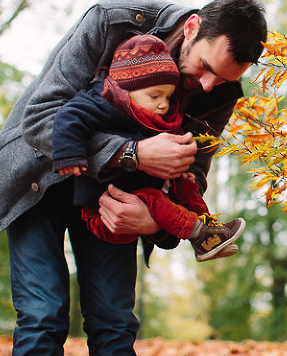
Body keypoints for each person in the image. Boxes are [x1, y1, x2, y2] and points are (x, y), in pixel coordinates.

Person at [0, 0, 267, 356]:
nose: (208, 85)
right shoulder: (112, 22)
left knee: (114, 322)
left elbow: (192, 175)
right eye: (205, 68)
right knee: (43, 314)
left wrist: (154, 221)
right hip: (41, 178)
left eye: (223, 80)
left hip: (116, 203)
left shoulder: (218, 91)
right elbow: (42, 117)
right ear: (191, 27)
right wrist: (131, 153)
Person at [51, 34, 244, 262]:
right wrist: (69, 154)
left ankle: (212, 232)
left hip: (136, 196)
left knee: (187, 187)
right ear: (126, 89)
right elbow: (68, 117)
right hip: (105, 208)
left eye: (169, 96)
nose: (163, 104)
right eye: (155, 96)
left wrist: (180, 171)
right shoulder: (103, 103)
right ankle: (198, 235)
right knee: (154, 198)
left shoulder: (152, 112)